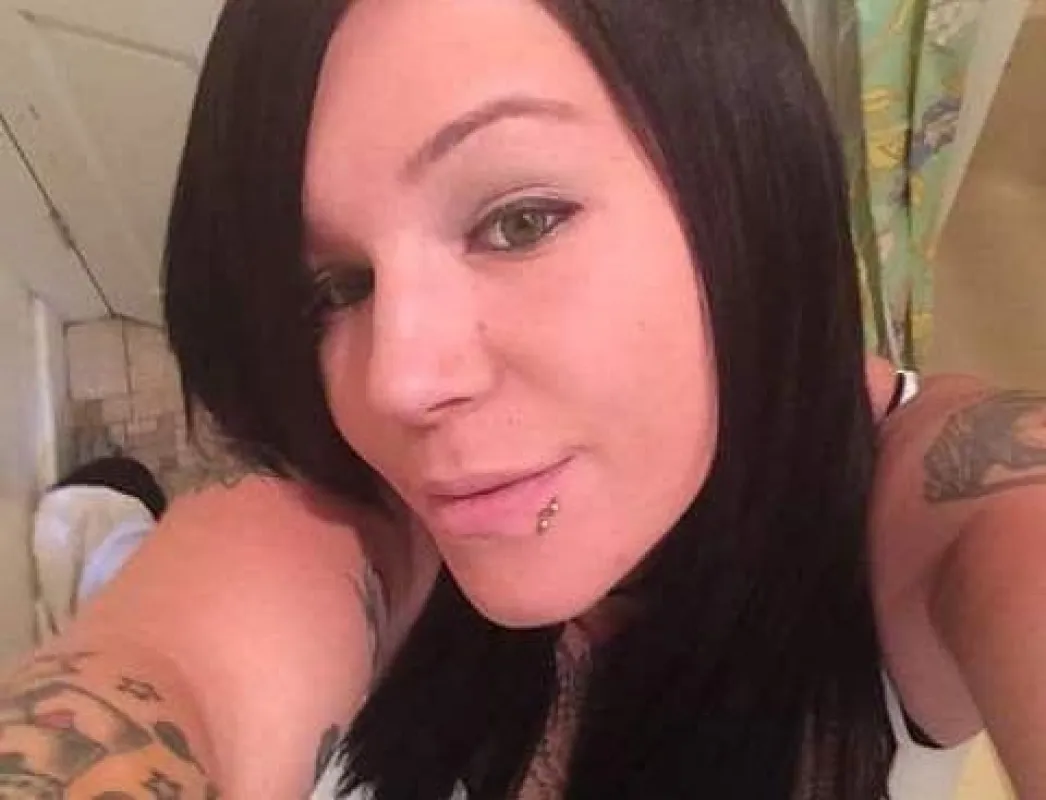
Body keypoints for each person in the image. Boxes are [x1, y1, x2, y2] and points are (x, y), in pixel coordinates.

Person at [2, 0, 1044, 797]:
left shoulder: (947, 503)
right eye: (337, 288)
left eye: (519, 221)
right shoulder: (366, 522)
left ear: (744, 175)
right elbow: (180, 660)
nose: (396, 384)